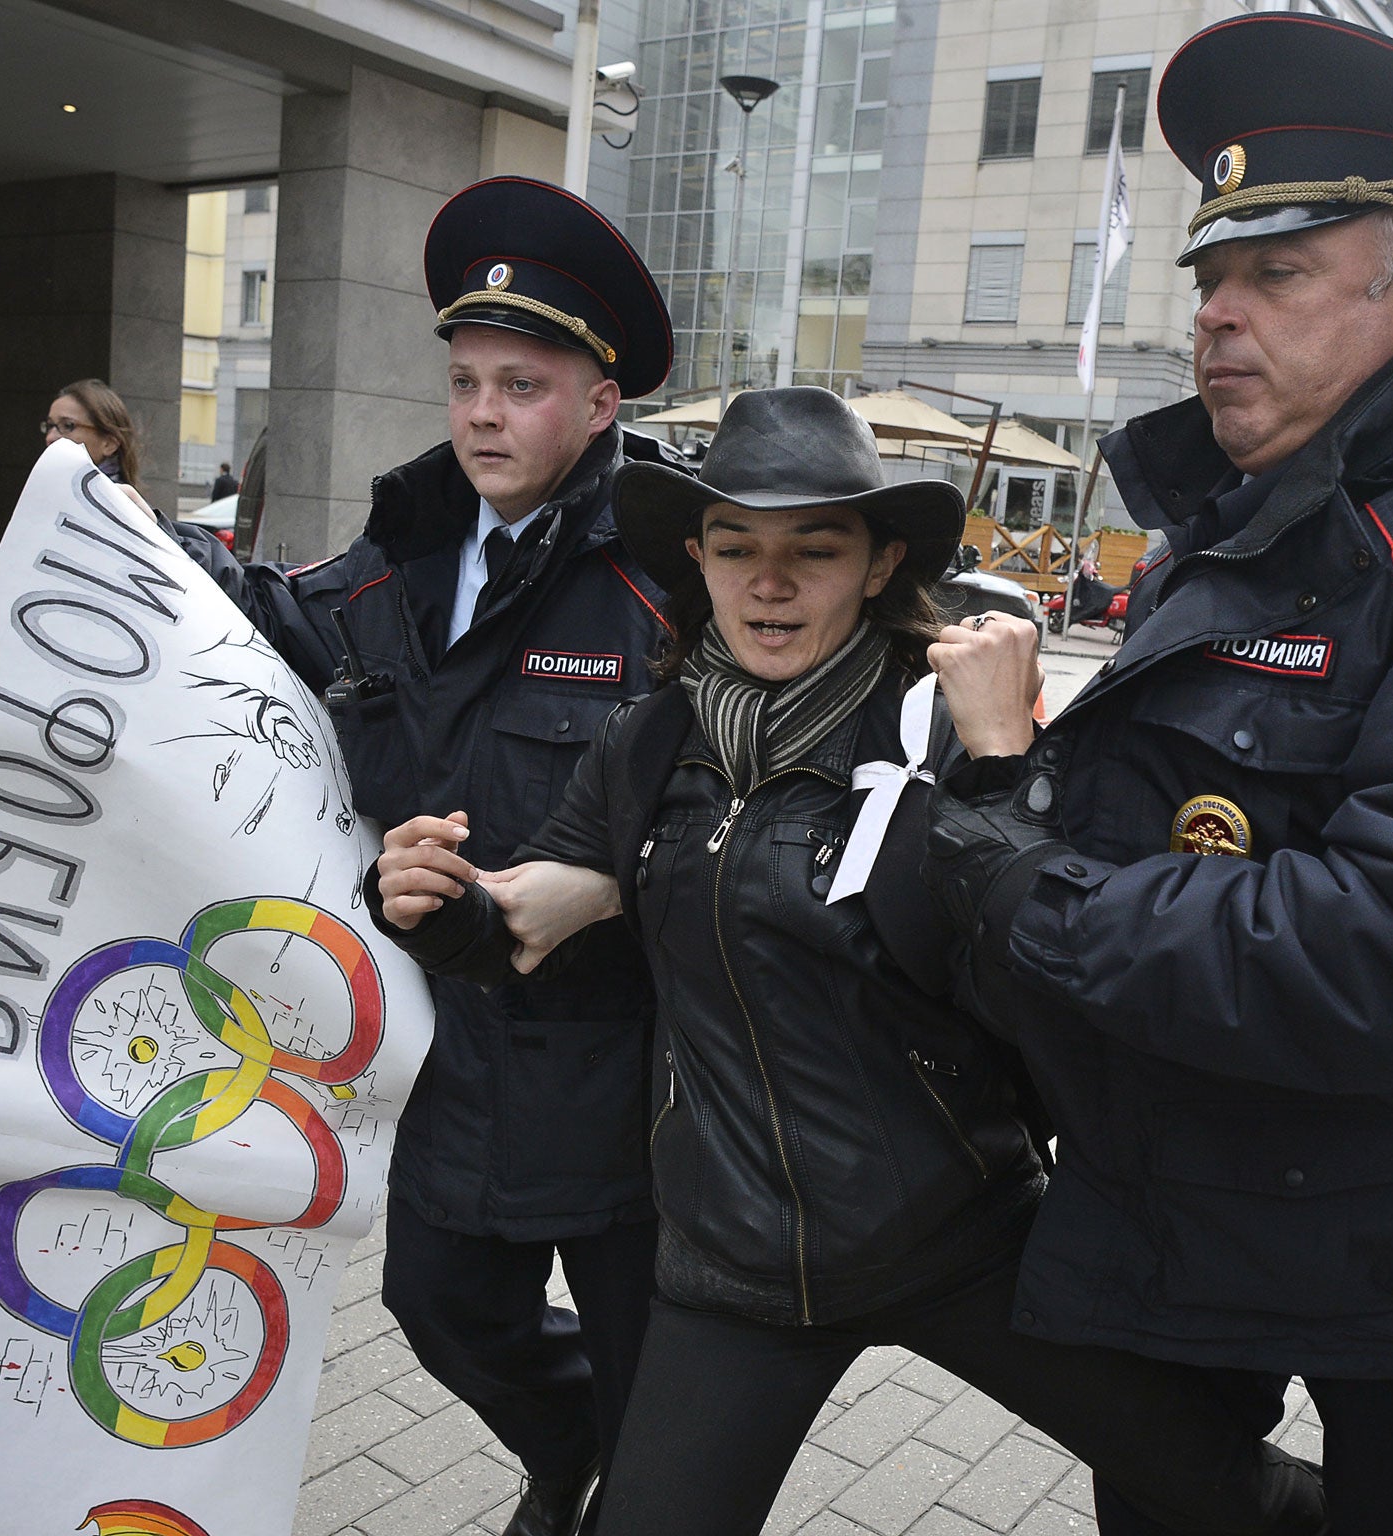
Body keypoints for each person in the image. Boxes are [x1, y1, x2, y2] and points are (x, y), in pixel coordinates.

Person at [921, 16, 1393, 1536]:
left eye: (1276, 275)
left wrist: (1027, 878)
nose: (1218, 317)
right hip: (1185, 1200)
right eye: (1210, 277)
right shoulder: (1233, 521)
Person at [369, 387, 1328, 1536]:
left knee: (1232, 1495)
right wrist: (439, 905)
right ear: (699, 557)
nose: (767, 583)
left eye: (811, 550)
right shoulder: (651, 741)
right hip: (732, 1269)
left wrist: (1001, 760)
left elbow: (1052, 971)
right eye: (736, 548)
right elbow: (536, 911)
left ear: (877, 566)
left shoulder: (936, 729)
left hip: (960, 1234)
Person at [171, 176, 685, 1536]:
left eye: (520, 385)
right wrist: (117, 553)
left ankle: (613, 1472)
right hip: (458, 1057)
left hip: (631, 1069)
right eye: (464, 381)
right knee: (444, 1310)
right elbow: (274, 627)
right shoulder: (401, 559)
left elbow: (734, 793)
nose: (479, 415)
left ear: (600, 402)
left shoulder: (667, 576)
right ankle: (565, 1443)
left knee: (662, 1398)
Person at [44, 378, 143, 494]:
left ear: (109, 443)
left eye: (68, 425)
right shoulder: (49, 492)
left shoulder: (120, 504)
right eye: (50, 426)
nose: (50, 438)